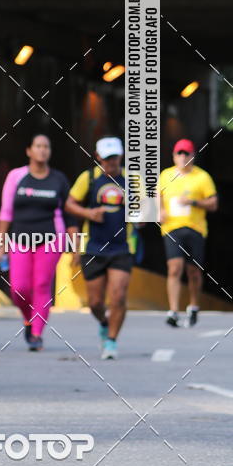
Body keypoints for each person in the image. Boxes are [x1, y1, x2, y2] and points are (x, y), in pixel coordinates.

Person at [0, 134, 71, 351]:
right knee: (19, 288)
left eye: (46, 146)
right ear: (29, 150)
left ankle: (36, 333)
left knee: (41, 285)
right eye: (38, 146)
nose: (42, 150)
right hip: (20, 238)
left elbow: (69, 211)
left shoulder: (59, 179)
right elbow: (6, 211)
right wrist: (0, 241)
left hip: (51, 238)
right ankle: (28, 318)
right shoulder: (16, 176)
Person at [65, 137, 136, 360]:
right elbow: (69, 203)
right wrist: (89, 214)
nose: (110, 162)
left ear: (121, 156)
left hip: (122, 247)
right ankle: (104, 323)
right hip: (93, 247)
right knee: (95, 302)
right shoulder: (88, 178)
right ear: (98, 157)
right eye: (106, 158)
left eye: (114, 157)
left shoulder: (133, 179)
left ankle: (112, 342)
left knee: (118, 296)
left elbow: (148, 211)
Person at [159, 139, 218, 327]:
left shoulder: (202, 177)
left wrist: (193, 202)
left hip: (195, 228)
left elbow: (213, 203)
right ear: (174, 156)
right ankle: (173, 311)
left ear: (193, 156)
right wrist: (160, 211)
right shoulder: (166, 175)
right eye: (180, 153)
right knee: (174, 268)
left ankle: (193, 306)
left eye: (187, 153)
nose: (183, 157)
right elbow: (157, 197)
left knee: (194, 271)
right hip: (172, 227)